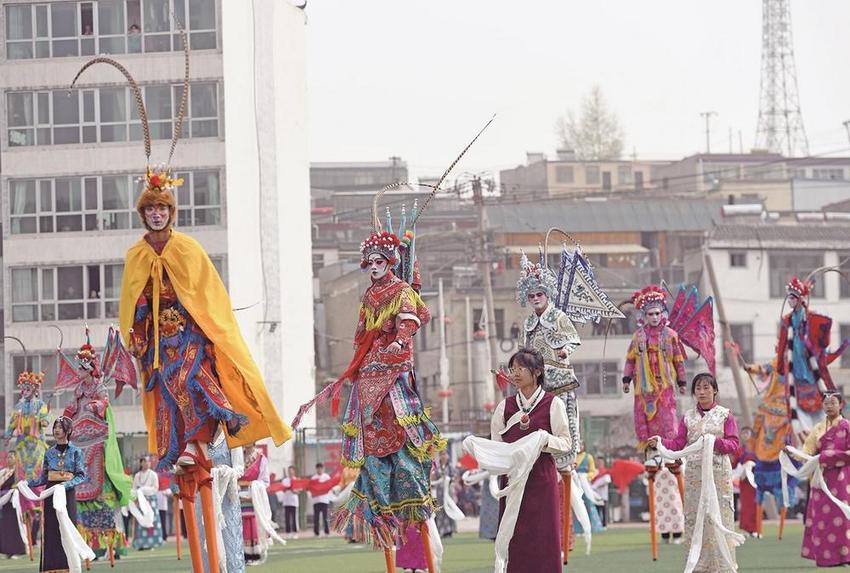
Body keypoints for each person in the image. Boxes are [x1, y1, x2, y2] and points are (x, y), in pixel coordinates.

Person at [292, 221, 444, 549]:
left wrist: (400, 341)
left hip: (394, 367)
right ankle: (378, 500)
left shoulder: (402, 290)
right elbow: (361, 333)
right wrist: (353, 368)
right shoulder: (369, 295)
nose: (374, 267)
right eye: (370, 262)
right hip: (370, 368)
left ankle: (410, 492)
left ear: (391, 262)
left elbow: (409, 318)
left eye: (380, 261)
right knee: (370, 434)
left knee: (406, 428)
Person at [489, 348, 572, 573]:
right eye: (512, 369)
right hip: (513, 480)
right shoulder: (504, 406)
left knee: (545, 536)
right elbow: (497, 444)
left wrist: (543, 441)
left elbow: (566, 442)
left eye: (521, 369)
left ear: (536, 372)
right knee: (514, 536)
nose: (515, 374)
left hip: (541, 477)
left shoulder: (553, 404)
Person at [649, 373, 742, 573]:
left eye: (706, 387)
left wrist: (713, 441)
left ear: (715, 390)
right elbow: (678, 444)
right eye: (698, 388)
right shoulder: (688, 417)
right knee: (695, 517)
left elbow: (733, 444)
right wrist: (660, 442)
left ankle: (723, 565)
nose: (702, 392)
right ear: (693, 393)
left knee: (719, 517)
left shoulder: (725, 415)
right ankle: (698, 566)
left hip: (718, 474)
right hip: (694, 476)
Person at [58, 332, 135, 558]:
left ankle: (111, 544)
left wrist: (97, 406)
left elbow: (105, 403)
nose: (79, 373)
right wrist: (67, 414)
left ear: (90, 368)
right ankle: (91, 545)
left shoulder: (99, 388)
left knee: (102, 494)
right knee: (81, 494)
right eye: (79, 369)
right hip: (80, 443)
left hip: (96, 444)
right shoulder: (78, 391)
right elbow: (71, 408)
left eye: (82, 369)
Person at [516, 252, 581, 472]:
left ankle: (565, 459)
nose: (535, 299)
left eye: (539, 294)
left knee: (562, 419)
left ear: (547, 295)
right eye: (531, 295)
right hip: (537, 382)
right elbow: (522, 351)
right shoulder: (528, 322)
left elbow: (573, 339)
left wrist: (564, 350)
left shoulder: (559, 317)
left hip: (560, 378)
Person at [791, 392, 850, 567]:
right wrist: (791, 453)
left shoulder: (847, 427)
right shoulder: (818, 428)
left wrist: (827, 456)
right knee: (822, 519)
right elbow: (807, 453)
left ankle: (846, 556)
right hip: (820, 481)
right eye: (826, 403)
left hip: (842, 480)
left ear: (841, 405)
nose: (829, 406)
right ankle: (826, 558)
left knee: (842, 517)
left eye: (832, 403)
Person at [27, 417, 88, 573]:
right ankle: (51, 568)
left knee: (67, 529)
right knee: (51, 530)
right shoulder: (49, 452)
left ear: (68, 430)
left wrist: (64, 485)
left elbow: (81, 475)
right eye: (55, 427)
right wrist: (27, 483)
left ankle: (70, 567)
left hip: (66, 494)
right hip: (51, 494)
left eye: (60, 427)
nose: (56, 430)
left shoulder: (76, 452)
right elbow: (43, 477)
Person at [240, 443, 270, 564]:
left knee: (253, 523)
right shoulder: (237, 456)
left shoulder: (261, 458)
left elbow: (265, 480)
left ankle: (254, 554)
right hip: (237, 495)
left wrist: (253, 489)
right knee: (239, 524)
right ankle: (241, 554)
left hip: (254, 495)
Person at [0, 451, 26, 559]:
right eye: (8, 457)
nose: (9, 459)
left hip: (13, 502)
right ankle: (6, 550)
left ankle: (17, 550)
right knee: (4, 526)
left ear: (16, 459)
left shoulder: (18, 472)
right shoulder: (3, 472)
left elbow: (22, 485)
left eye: (11, 457)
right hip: (3, 502)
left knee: (14, 525)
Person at [132, 457, 162, 550]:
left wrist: (144, 490)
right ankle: (141, 543)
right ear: (141, 463)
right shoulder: (137, 475)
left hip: (150, 500)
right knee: (141, 520)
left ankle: (152, 543)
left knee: (152, 520)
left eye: (148, 461)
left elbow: (155, 488)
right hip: (141, 501)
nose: (146, 463)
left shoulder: (153, 474)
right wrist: (137, 496)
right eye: (144, 461)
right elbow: (134, 488)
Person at [310, 462, 330, 537]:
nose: (319, 470)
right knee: (316, 518)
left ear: (323, 469)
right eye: (318, 468)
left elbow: (329, 486)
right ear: (316, 469)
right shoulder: (313, 478)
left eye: (321, 468)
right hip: (316, 501)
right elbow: (311, 488)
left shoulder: (326, 477)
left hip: (324, 500)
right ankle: (316, 533)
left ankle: (327, 532)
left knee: (325, 517)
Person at [281, 466, 300, 538]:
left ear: (294, 471)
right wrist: (286, 489)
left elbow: (299, 491)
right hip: (286, 502)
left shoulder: (297, 480)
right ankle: (288, 532)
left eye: (291, 471)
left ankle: (295, 532)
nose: (290, 472)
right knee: (287, 518)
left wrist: (294, 491)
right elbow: (282, 489)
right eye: (289, 471)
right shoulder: (285, 480)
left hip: (294, 502)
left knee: (294, 518)